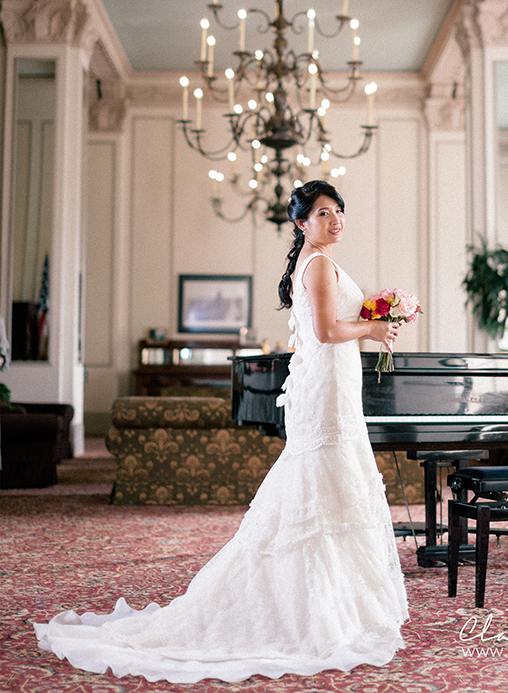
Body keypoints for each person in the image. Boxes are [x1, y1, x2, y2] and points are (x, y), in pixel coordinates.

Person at [34, 180, 409, 683]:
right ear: (302, 223)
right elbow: (324, 332)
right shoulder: (318, 264)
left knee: (331, 488)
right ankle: (315, 612)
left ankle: (336, 603)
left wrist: (373, 311)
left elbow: (331, 325)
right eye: (323, 213)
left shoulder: (321, 261)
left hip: (334, 385)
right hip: (326, 392)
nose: (335, 219)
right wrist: (373, 328)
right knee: (322, 485)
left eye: (338, 209)